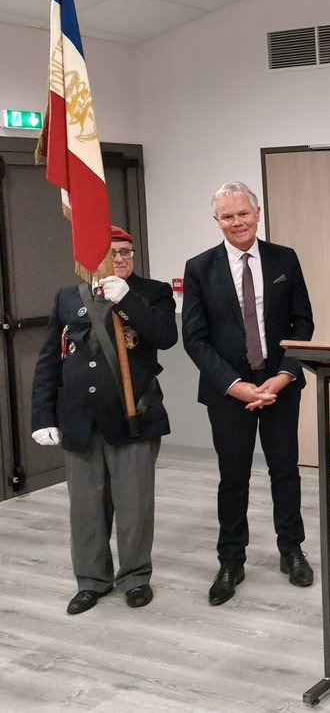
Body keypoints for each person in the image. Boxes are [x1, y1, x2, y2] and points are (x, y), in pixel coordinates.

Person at [31, 226, 177, 614]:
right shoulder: (68, 297)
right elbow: (49, 361)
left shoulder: (153, 292)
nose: (121, 258)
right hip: (79, 420)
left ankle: (135, 577)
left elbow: (165, 336)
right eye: (112, 252)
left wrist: (127, 299)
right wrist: (42, 416)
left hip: (132, 418)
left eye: (127, 251)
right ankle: (91, 580)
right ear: (92, 258)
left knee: (134, 507)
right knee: (85, 509)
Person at [182, 181, 315, 606]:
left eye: (243, 213)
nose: (237, 222)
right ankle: (231, 560)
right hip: (228, 392)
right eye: (227, 216)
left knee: (285, 471)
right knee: (233, 476)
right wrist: (235, 386)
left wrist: (284, 375)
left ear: (257, 214)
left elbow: (302, 324)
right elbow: (195, 338)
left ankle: (291, 550)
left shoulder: (284, 258)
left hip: (279, 386)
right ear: (216, 221)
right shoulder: (199, 268)